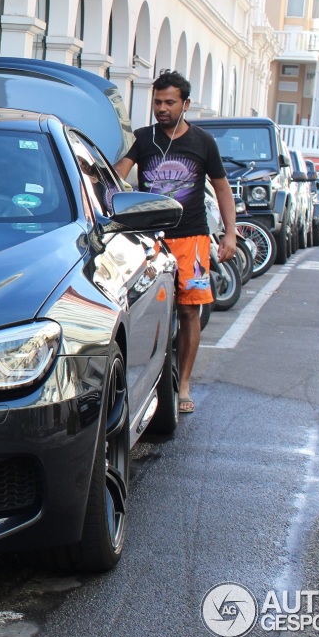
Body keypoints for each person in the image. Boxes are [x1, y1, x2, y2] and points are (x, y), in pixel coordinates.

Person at [114, 70, 235, 415]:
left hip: (193, 241)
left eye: (169, 102)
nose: (162, 108)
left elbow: (222, 187)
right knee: (150, 309)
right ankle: (149, 374)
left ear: (186, 104)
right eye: (157, 102)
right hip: (150, 240)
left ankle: (183, 382)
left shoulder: (202, 142)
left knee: (188, 310)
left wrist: (229, 232)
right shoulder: (143, 139)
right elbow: (116, 176)